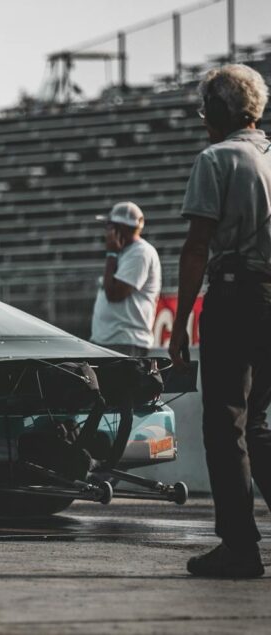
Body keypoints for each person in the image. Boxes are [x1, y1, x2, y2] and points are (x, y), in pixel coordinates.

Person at [168, 63, 271, 579]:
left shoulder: (217, 158)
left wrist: (181, 321)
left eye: (206, 108)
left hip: (236, 296)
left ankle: (239, 545)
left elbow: (196, 247)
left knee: (224, 421)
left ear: (220, 111)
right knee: (259, 424)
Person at [89, 201, 162, 356]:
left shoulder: (140, 253)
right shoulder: (126, 251)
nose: (106, 231)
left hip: (125, 342)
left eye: (109, 226)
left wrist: (111, 254)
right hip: (112, 341)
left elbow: (115, 294)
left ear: (120, 227)